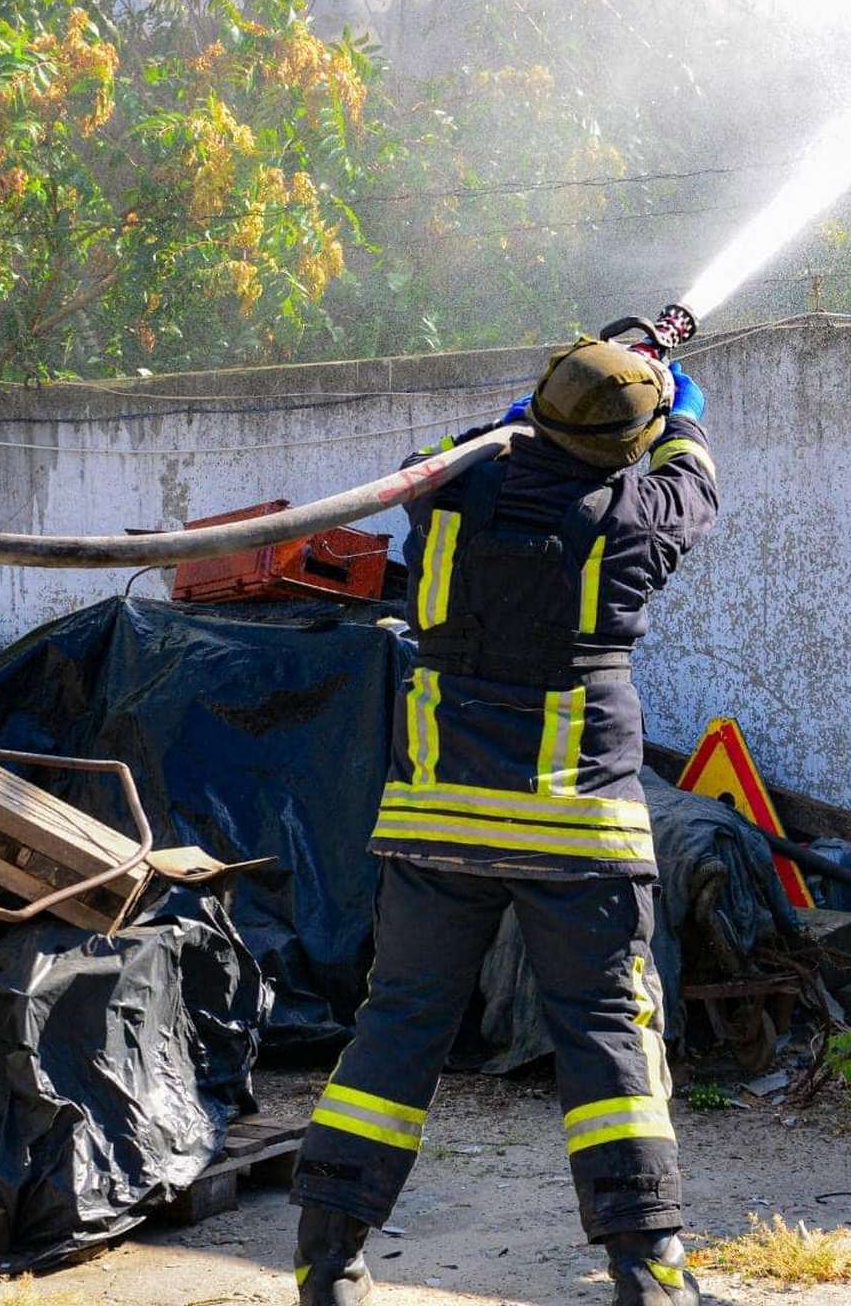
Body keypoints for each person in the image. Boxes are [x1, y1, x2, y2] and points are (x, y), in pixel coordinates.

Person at [288, 335, 719, 1305]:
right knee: (606, 1031)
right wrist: (677, 407)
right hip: (577, 829)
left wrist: (582, 385)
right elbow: (695, 481)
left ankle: (329, 1262)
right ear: (628, 445)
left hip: (441, 815)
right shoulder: (637, 516)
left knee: (399, 1026)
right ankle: (649, 1271)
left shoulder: (444, 490)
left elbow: (474, 441)